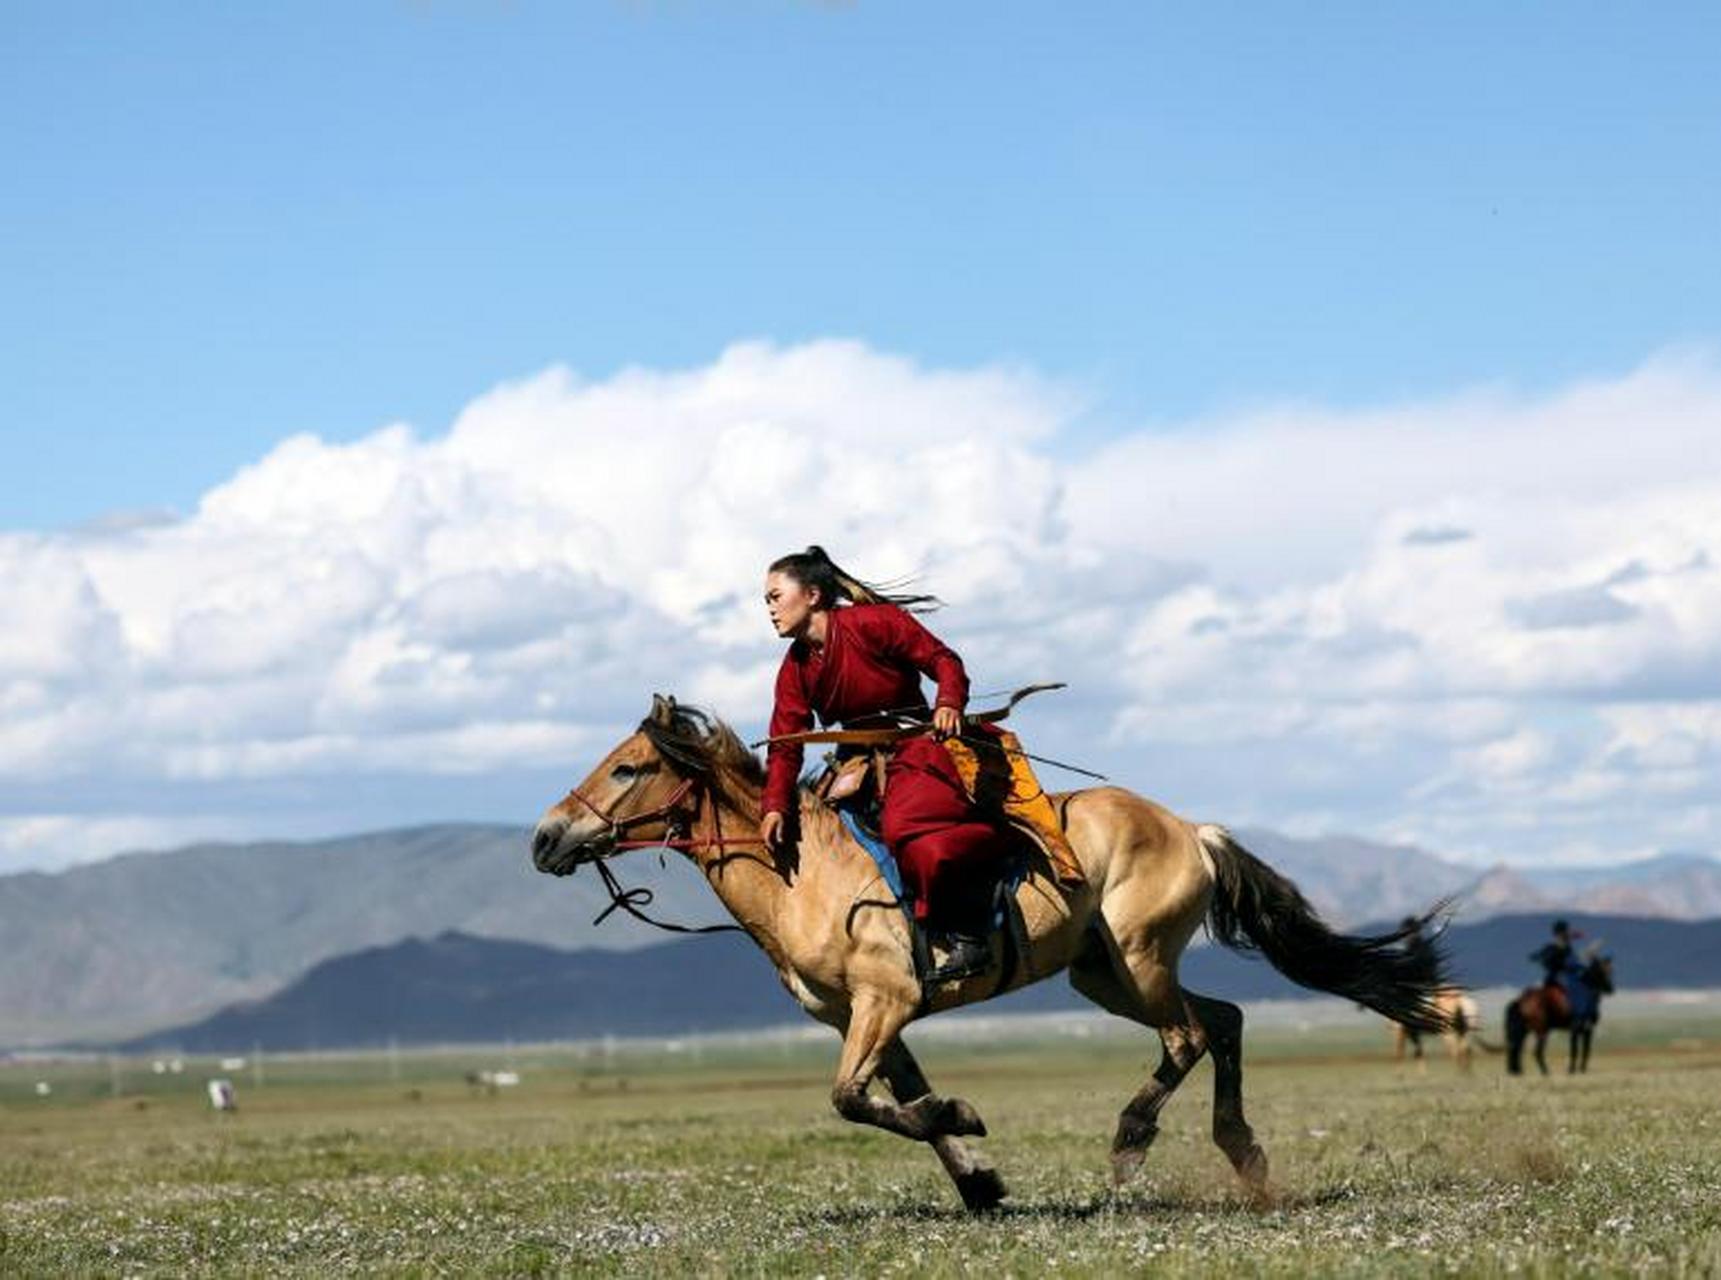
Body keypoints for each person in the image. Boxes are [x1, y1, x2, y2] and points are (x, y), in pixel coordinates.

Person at [759, 546, 1005, 982]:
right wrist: (775, 805)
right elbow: (785, 744)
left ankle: (970, 935)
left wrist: (948, 703)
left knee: (905, 829)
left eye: (776, 597)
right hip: (855, 766)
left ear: (813, 595)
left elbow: (943, 661)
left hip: (918, 747)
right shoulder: (794, 668)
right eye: (767, 601)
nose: (770, 609)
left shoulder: (874, 623)